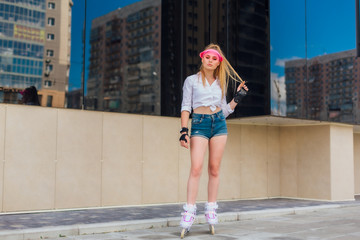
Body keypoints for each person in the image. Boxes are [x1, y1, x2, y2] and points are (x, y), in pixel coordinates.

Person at [179, 43, 248, 238]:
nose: (210, 60)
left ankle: (210, 209)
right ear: (202, 58)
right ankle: (189, 212)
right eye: (207, 57)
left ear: (218, 62)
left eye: (214, 58)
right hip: (199, 124)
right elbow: (186, 107)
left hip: (218, 124)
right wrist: (184, 131)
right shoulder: (191, 81)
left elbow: (224, 111)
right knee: (196, 168)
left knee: (214, 169)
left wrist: (237, 98)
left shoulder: (221, 83)